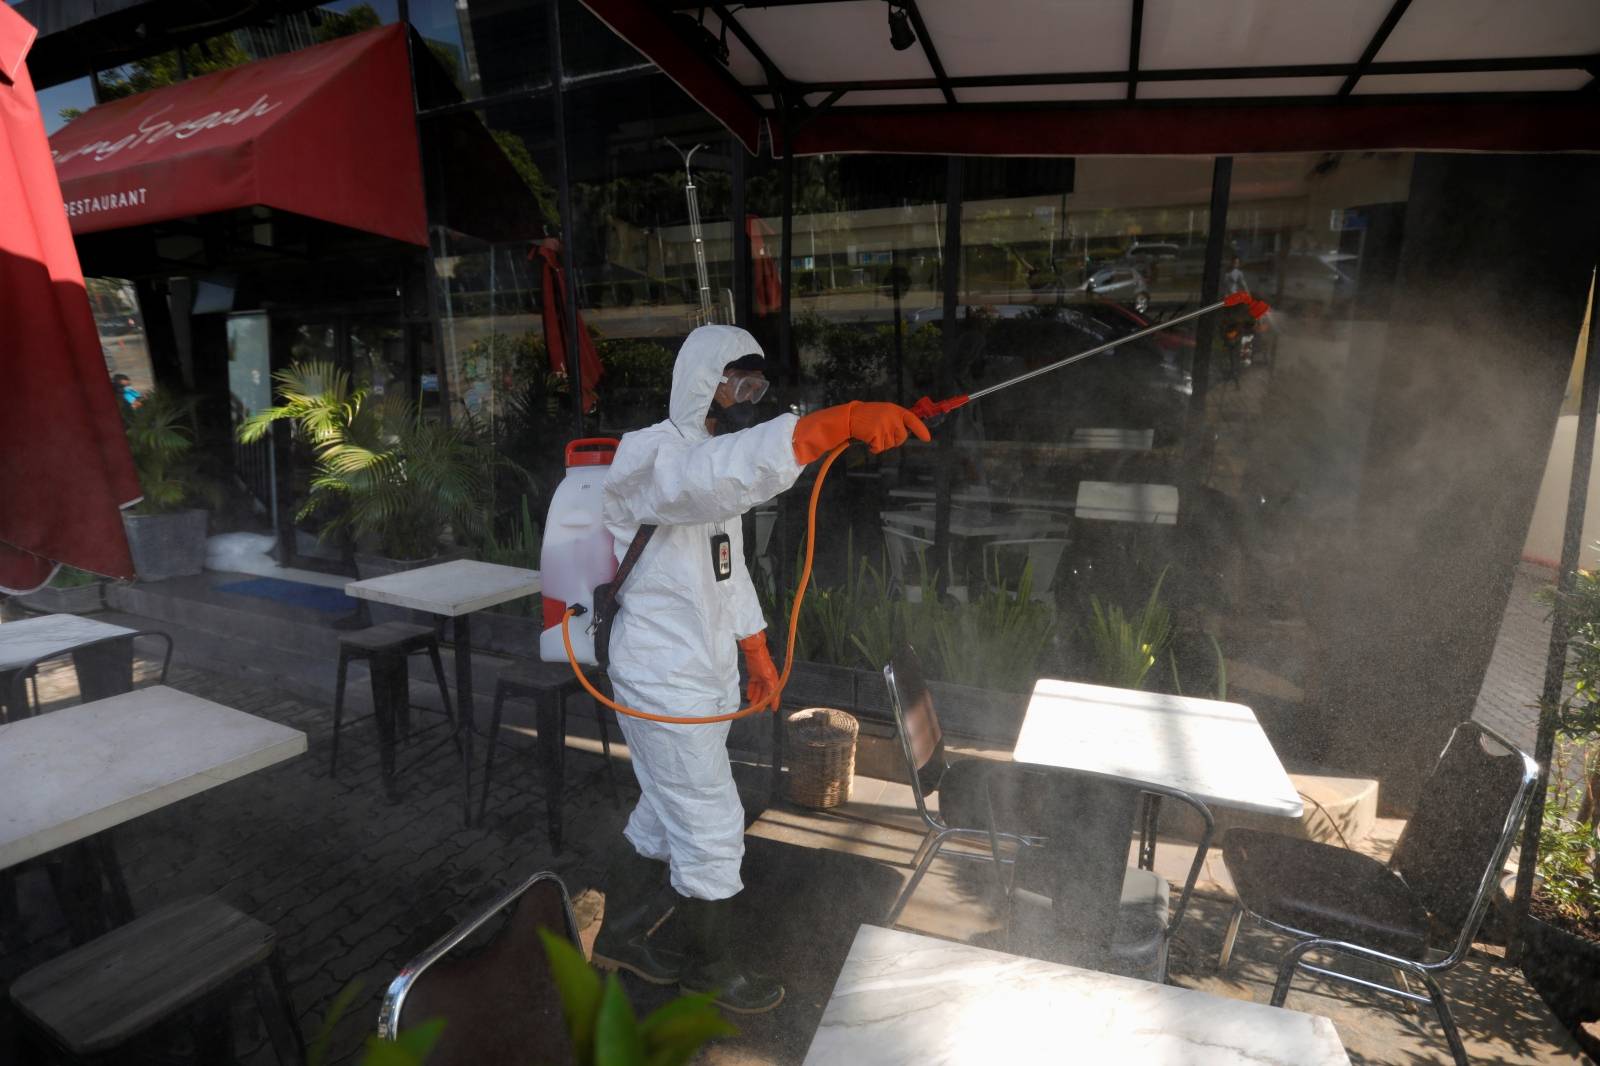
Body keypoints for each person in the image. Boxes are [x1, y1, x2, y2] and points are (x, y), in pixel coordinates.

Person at [590, 324, 929, 1013]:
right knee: (712, 826)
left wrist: (754, 651)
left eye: (756, 388)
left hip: (701, 673)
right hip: (660, 679)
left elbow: (727, 569)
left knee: (664, 811)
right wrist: (826, 427)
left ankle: (623, 938)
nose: (745, 399)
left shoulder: (714, 467)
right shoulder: (648, 459)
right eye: (735, 384)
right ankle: (708, 971)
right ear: (699, 382)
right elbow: (710, 480)